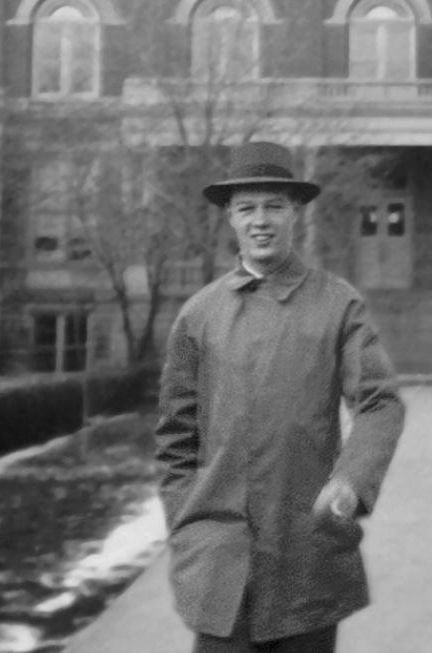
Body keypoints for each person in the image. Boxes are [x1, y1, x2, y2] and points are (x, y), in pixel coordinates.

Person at [154, 141, 406, 653]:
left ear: (295, 213)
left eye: (274, 206)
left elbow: (379, 401)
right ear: (230, 217)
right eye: (247, 208)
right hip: (219, 564)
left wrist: (351, 481)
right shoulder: (199, 315)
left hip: (305, 557)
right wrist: (189, 524)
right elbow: (176, 438)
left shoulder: (336, 304)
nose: (261, 221)